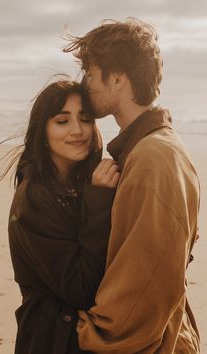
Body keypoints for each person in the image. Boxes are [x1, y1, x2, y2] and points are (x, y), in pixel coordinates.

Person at [64, 18, 201, 353]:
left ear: (118, 79)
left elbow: (146, 280)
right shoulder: (153, 147)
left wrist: (94, 333)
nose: (86, 85)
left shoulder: (153, 157)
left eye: (92, 74)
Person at [8, 80, 120, 354]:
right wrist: (99, 200)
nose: (78, 130)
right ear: (43, 130)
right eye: (62, 121)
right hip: (52, 340)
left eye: (85, 119)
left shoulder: (86, 182)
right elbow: (82, 287)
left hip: (85, 336)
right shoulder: (34, 199)